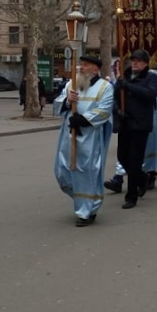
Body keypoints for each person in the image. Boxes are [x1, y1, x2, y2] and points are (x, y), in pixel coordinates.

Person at [53, 55, 114, 226]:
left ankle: (87, 211)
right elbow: (58, 104)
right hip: (68, 135)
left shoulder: (105, 87)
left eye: (85, 65)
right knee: (62, 170)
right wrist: (67, 102)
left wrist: (82, 120)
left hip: (89, 137)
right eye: (81, 64)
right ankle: (82, 199)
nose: (81, 68)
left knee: (86, 172)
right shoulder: (71, 84)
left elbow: (104, 110)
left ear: (95, 69)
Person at [113, 49, 157, 209]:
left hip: (140, 125)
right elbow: (115, 97)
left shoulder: (151, 77)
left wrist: (129, 87)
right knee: (122, 156)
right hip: (125, 123)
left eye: (138, 60)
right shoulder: (124, 76)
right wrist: (118, 111)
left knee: (134, 159)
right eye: (133, 60)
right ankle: (141, 177)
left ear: (146, 63)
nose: (134, 62)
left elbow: (150, 94)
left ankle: (131, 196)